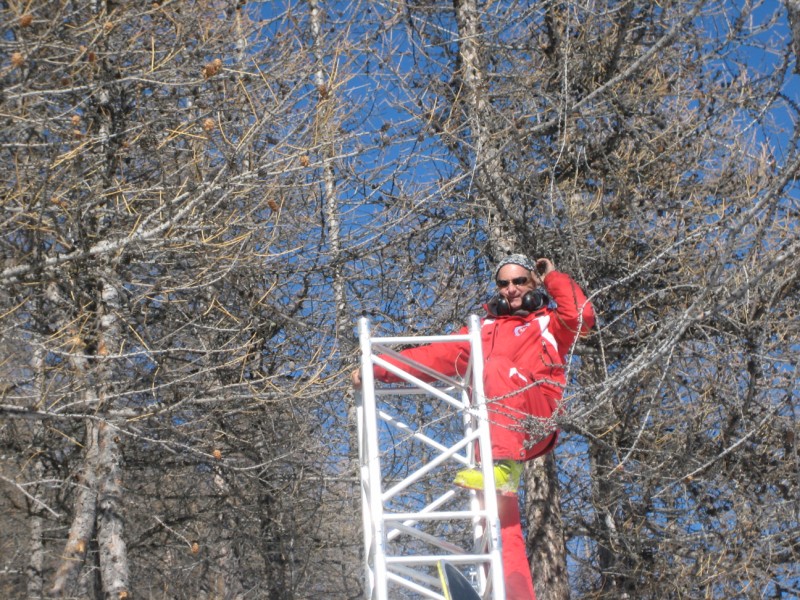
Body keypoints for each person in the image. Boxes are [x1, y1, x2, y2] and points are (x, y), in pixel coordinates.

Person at [351, 253, 595, 599]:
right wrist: (377, 366)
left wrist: (553, 277)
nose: (511, 290)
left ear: (533, 283)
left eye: (520, 281)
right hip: (497, 433)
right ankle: (513, 593)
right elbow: (433, 356)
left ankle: (503, 468)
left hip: (535, 412)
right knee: (496, 518)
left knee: (495, 367)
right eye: (503, 283)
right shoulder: (483, 331)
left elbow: (583, 315)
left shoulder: (550, 322)